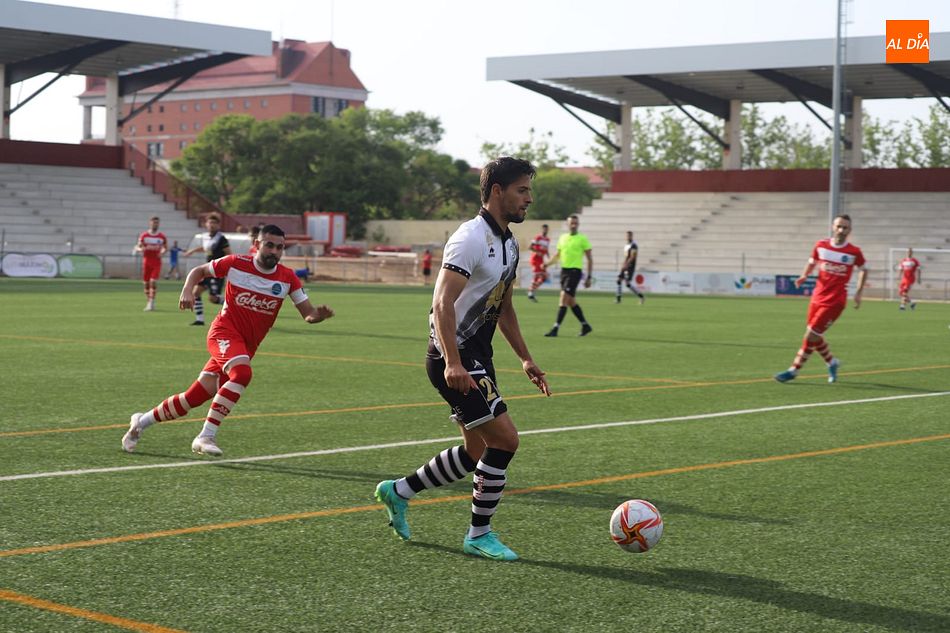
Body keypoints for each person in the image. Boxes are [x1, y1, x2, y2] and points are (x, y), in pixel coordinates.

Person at [374, 157, 551, 561]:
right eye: (522, 190)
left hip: (477, 357)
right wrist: (453, 362)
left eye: (528, 190)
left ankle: (397, 491)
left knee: (474, 452)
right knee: (505, 440)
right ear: (496, 192)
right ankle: (479, 534)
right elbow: (442, 301)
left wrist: (525, 358)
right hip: (452, 356)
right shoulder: (470, 238)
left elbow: (503, 306)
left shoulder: (509, 242)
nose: (529, 198)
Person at [121, 225, 334, 456]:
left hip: (244, 346)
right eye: (269, 245)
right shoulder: (236, 263)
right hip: (223, 333)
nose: (274, 251)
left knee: (193, 398)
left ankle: (140, 422)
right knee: (242, 374)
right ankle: (205, 436)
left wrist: (318, 316)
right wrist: (187, 291)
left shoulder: (288, 278)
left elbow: (308, 314)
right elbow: (198, 271)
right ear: (257, 245)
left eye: (279, 247)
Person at [775, 214, 867, 384]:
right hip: (817, 297)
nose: (841, 230)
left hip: (835, 301)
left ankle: (794, 370)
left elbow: (863, 269)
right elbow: (812, 261)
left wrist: (859, 291)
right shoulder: (821, 245)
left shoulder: (854, 252)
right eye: (839, 226)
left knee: (811, 335)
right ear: (833, 227)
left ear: (850, 230)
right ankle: (832, 362)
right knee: (814, 335)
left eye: (845, 227)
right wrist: (804, 275)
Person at [543, 214, 594, 337]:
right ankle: (585, 325)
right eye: (571, 223)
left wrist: (589, 277)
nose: (574, 225)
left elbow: (590, 259)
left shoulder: (583, 239)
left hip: (575, 272)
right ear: (567, 224)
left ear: (578, 224)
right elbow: (557, 255)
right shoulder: (562, 238)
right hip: (564, 272)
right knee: (571, 301)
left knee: (563, 298)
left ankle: (555, 328)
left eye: (576, 223)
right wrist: (547, 264)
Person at [183, 213, 231, 326]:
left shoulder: (222, 239)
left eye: (214, 223)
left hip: (218, 271)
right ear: (206, 224)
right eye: (210, 223)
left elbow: (229, 254)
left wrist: (228, 270)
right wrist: (192, 251)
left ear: (218, 225)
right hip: (208, 270)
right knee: (196, 292)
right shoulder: (206, 237)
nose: (212, 225)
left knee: (213, 299)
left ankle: (233, 305)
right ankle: (200, 319)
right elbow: (205, 248)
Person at [134, 216, 167, 311]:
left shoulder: (161, 237)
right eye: (153, 222)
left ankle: (151, 302)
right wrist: (140, 249)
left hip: (156, 262)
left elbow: (165, 247)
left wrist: (163, 252)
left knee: (153, 281)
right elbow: (137, 247)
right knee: (146, 284)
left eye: (157, 223)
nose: (155, 224)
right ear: (150, 223)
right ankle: (149, 301)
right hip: (146, 262)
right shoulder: (144, 236)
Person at [616, 230, 646, 305]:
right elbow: (626, 256)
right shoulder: (626, 245)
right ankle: (618, 300)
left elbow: (632, 257)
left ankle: (641, 297)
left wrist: (626, 264)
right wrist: (623, 264)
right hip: (625, 265)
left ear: (632, 236)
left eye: (629, 235)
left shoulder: (634, 245)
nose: (627, 237)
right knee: (619, 280)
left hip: (630, 266)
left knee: (627, 284)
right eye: (627, 235)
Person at [526, 223, 550, 302]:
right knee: (537, 275)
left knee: (545, 277)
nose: (545, 230)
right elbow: (530, 247)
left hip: (541, 260)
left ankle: (531, 290)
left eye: (546, 229)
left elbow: (546, 250)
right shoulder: (538, 238)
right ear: (542, 229)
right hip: (535, 259)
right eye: (544, 229)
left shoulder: (548, 239)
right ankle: (530, 292)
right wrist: (537, 252)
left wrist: (549, 258)